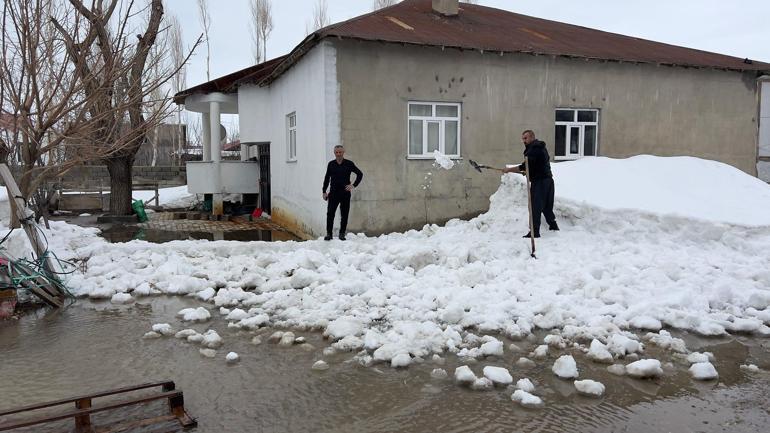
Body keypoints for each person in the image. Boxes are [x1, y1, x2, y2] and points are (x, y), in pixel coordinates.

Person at [503, 130, 559, 238]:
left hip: (540, 182)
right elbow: (534, 166)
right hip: (548, 180)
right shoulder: (540, 147)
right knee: (547, 206)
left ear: (532, 137)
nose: (523, 140)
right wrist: (528, 172)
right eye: (523, 138)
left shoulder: (534, 149)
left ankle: (535, 232)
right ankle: (553, 225)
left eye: (526, 138)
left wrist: (509, 169)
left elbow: (525, 166)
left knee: (535, 207)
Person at [322, 145, 363, 241]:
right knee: (330, 214)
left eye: (340, 152)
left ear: (343, 152)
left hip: (345, 193)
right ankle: (329, 234)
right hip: (333, 193)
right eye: (336, 152)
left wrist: (353, 185)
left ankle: (341, 234)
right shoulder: (331, 164)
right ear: (334, 153)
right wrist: (324, 191)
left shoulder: (349, 164)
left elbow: (360, 174)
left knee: (344, 214)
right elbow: (327, 178)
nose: (338, 154)